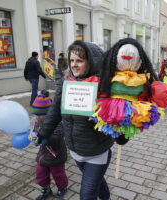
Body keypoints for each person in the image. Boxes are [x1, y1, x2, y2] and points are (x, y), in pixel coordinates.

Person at [36, 40, 115, 200]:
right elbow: (55, 111)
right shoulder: (67, 82)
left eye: (79, 60)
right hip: (75, 150)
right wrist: (43, 133)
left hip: (96, 152)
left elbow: (117, 116)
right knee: (97, 184)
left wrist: (119, 131)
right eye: (72, 60)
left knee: (86, 195)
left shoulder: (104, 86)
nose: (74, 65)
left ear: (91, 62)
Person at [31, 91, 68, 200]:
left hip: (56, 155)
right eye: (36, 114)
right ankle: (45, 188)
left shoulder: (57, 122)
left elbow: (57, 137)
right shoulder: (39, 121)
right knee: (40, 173)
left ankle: (62, 188)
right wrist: (33, 137)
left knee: (58, 174)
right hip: (43, 155)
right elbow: (35, 130)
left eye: (40, 114)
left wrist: (44, 139)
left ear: (49, 113)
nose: (37, 117)